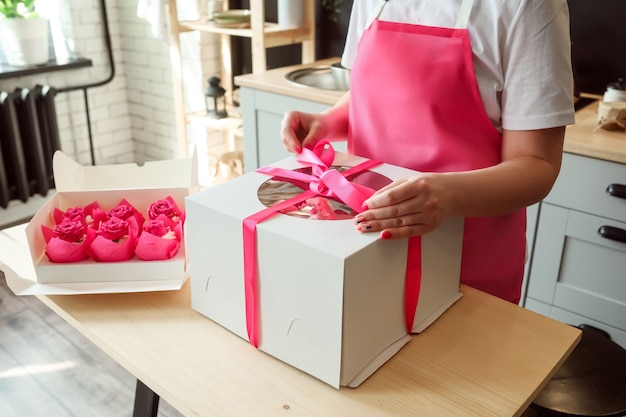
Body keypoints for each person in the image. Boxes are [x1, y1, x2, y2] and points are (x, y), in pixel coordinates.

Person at [280, 0, 576, 304]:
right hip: (367, 242)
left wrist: (446, 194)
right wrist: (327, 121)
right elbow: (371, 94)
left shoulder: (530, 6)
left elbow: (536, 163)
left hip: (466, 260)